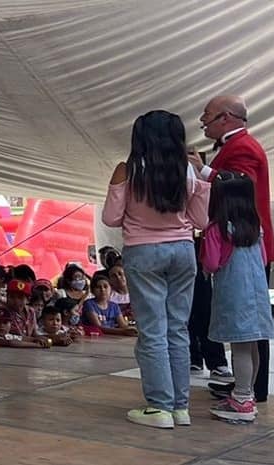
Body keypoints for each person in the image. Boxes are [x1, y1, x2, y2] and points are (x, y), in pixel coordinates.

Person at [102, 110, 210, 429]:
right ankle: (181, 407)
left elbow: (110, 217)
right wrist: (201, 182)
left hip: (143, 251)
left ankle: (159, 406)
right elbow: (202, 220)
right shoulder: (187, 169)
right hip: (183, 251)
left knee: (152, 330)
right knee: (177, 329)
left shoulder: (127, 169)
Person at [193, 96, 274, 405]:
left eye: (207, 115)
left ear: (225, 118)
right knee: (249, 323)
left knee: (247, 324)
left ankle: (251, 390)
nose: (202, 121)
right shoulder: (236, 146)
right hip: (242, 243)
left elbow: (241, 186)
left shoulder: (243, 147)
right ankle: (248, 386)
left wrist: (204, 172)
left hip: (242, 246)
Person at [200, 172, 274, 423]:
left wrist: (205, 267)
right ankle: (247, 394)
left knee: (240, 347)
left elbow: (211, 263)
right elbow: (262, 260)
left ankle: (241, 399)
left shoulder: (217, 229)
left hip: (234, 296)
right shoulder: (256, 228)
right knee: (252, 345)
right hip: (257, 295)